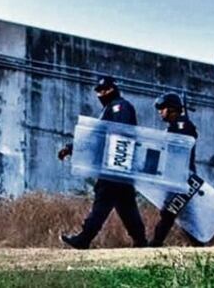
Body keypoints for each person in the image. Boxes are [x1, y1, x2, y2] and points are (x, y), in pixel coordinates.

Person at [59, 75, 148, 249]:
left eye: (103, 90)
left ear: (112, 89)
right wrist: (72, 147)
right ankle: (141, 241)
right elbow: (96, 136)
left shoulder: (119, 107)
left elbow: (119, 135)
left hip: (115, 166)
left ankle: (84, 239)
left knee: (103, 202)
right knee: (126, 205)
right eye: (98, 91)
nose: (100, 94)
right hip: (118, 167)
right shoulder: (112, 108)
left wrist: (72, 148)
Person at [150, 92, 200, 247]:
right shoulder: (176, 126)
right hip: (175, 178)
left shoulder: (182, 125)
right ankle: (197, 245)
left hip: (182, 179)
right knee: (181, 215)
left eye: (162, 108)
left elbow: (178, 149)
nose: (160, 112)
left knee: (169, 212)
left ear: (171, 109)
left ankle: (155, 244)